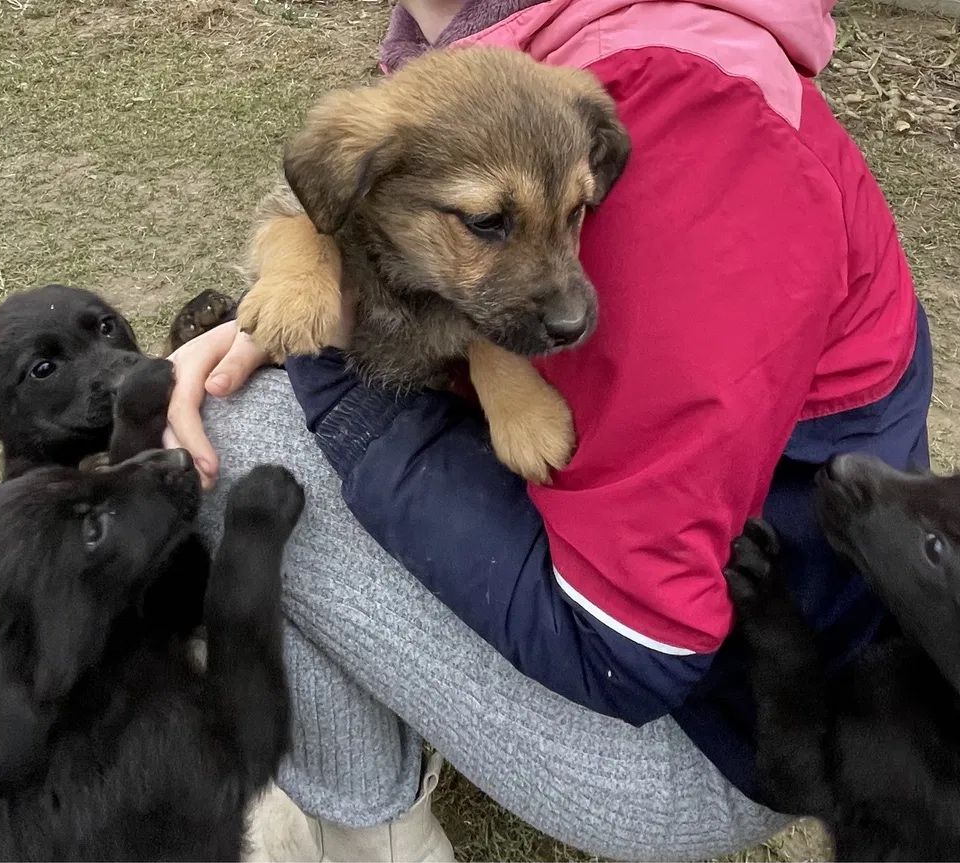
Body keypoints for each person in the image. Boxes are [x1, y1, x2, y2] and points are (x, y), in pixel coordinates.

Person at [165, 0, 932, 859]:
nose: (568, 294)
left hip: (740, 724)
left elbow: (635, 651)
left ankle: (376, 840)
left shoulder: (685, 113)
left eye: (574, 215)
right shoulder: (532, 54)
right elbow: (367, 246)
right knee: (239, 401)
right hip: (724, 651)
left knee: (231, 438)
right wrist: (287, 318)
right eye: (493, 225)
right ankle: (359, 784)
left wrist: (336, 381)